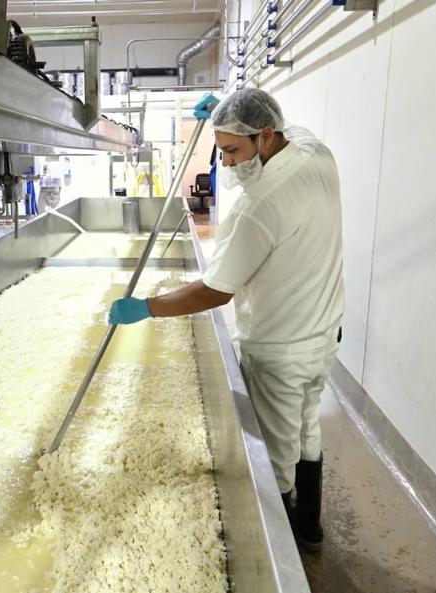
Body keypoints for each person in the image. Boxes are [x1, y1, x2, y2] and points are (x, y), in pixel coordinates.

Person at [108, 88, 344, 552]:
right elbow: (279, 120)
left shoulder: (259, 207)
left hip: (280, 347)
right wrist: (228, 109)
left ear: (266, 135)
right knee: (307, 428)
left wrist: (148, 308)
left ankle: (278, 551)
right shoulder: (316, 151)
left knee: (275, 456)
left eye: (233, 151)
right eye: (221, 151)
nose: (229, 163)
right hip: (323, 333)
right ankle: (311, 527)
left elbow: (214, 290)